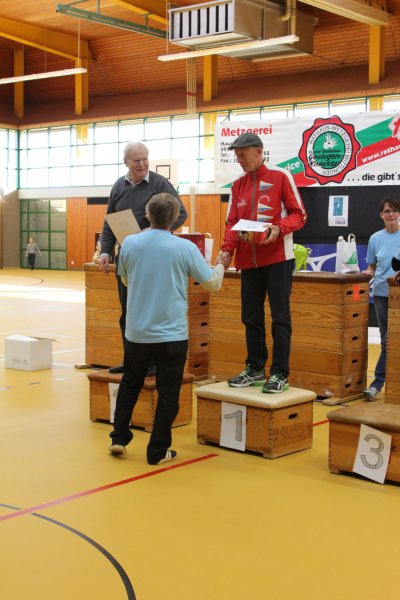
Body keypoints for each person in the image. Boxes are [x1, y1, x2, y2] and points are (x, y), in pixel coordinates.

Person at [109, 192, 225, 464]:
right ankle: (158, 451)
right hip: (171, 334)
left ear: (147, 215)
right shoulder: (184, 248)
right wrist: (221, 264)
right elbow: (212, 284)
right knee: (168, 392)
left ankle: (118, 437)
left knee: (130, 383)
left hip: (137, 332)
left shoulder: (129, 244)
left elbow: (125, 280)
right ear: (174, 219)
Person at [220, 132, 307, 393]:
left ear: (258, 152)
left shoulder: (281, 176)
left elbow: (299, 214)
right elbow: (232, 223)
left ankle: (280, 373)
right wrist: (226, 250)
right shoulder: (237, 185)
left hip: (278, 259)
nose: (239, 161)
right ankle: (255, 368)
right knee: (250, 317)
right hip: (248, 262)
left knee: (280, 318)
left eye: (242, 156)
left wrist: (279, 229)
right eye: (237, 157)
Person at [98, 142, 187, 374]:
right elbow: (109, 221)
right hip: (127, 258)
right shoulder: (118, 186)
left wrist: (156, 229)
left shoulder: (159, 183)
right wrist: (105, 251)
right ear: (125, 162)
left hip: (153, 258)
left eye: (145, 159)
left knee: (151, 312)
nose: (142, 164)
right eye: (136, 160)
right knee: (128, 311)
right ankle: (132, 362)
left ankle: (153, 364)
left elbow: (181, 213)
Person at [362, 197, 400, 401]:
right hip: (380, 294)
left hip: (398, 295)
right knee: (387, 339)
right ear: (381, 215)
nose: (390, 214)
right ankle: (382, 384)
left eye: (394, 210)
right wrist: (368, 271)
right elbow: (372, 266)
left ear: (399, 214)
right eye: (387, 211)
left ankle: (376, 384)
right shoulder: (375, 238)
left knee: (389, 340)